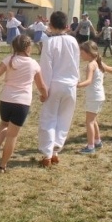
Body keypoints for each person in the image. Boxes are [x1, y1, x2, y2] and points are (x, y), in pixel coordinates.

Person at [0, 35, 47, 173]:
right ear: (28, 47)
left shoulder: (9, 60)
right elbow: (41, 86)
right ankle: (2, 166)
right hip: (22, 103)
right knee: (12, 135)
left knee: (3, 124)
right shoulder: (34, 64)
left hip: (6, 100)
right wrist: (44, 95)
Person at [37, 10, 80, 166]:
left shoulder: (50, 42)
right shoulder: (73, 41)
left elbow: (45, 68)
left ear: (51, 25)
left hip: (54, 84)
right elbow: (76, 64)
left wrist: (44, 89)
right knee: (64, 119)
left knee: (49, 118)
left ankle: (48, 153)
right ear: (66, 25)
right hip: (70, 84)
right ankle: (55, 150)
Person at [76, 41, 112, 154]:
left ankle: (90, 147)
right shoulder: (98, 62)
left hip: (94, 97)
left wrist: (76, 85)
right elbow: (110, 69)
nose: (80, 55)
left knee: (89, 122)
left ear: (88, 53)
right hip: (99, 96)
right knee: (93, 120)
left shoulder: (91, 65)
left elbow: (88, 81)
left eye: (82, 53)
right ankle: (97, 141)